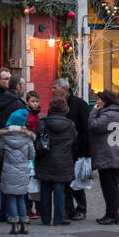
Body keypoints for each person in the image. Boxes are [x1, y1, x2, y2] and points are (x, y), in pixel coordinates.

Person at [34, 96, 77, 225]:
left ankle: (45, 218)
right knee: (59, 189)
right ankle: (59, 218)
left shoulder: (44, 122)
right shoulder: (70, 125)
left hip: (45, 158)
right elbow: (74, 139)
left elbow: (37, 138)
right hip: (63, 160)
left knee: (45, 189)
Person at [88, 88, 119, 225]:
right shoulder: (113, 113)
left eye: (99, 99)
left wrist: (94, 111)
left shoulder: (109, 114)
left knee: (110, 187)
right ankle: (110, 213)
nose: (97, 101)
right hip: (111, 154)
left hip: (110, 155)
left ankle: (112, 215)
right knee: (109, 186)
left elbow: (93, 126)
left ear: (105, 101)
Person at [52, 77, 90, 220]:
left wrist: (86, 152)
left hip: (76, 148)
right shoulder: (54, 104)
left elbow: (86, 130)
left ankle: (81, 208)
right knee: (64, 181)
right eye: (52, 88)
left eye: (55, 88)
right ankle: (68, 209)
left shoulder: (79, 104)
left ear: (64, 89)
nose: (53, 90)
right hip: (61, 150)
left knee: (77, 181)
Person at [0, 107, 36, 235]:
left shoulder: (4, 137)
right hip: (23, 171)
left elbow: (1, 153)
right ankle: (24, 225)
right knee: (21, 198)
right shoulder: (28, 138)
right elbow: (31, 155)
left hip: (9, 170)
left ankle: (14, 225)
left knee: (11, 198)